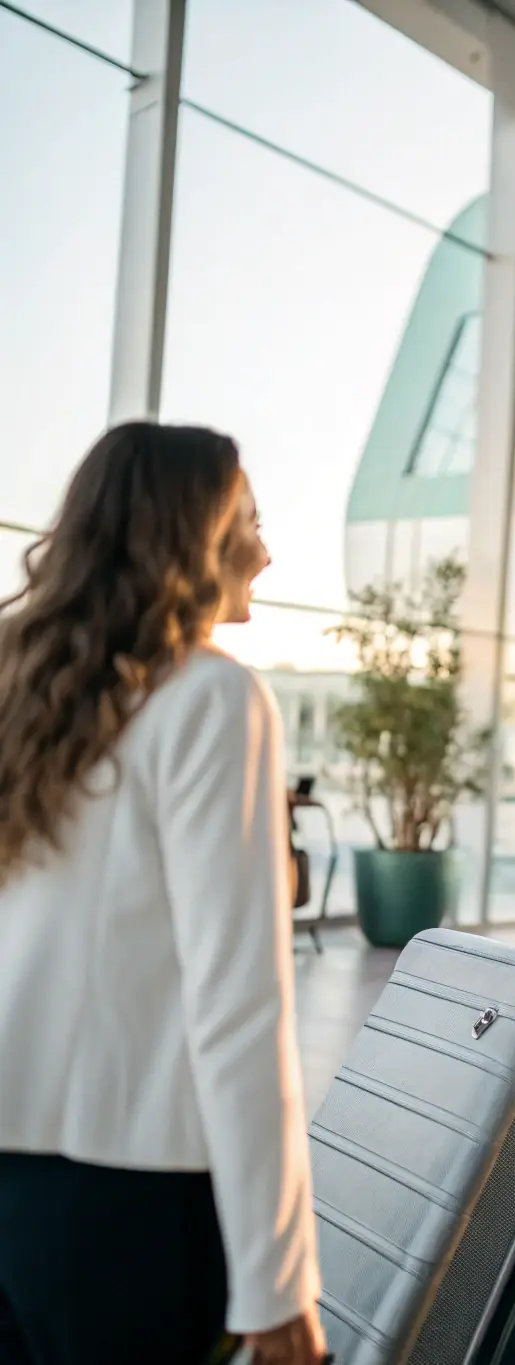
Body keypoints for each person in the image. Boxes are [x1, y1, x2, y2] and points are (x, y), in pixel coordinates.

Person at [0, 423, 325, 1365]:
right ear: (189, 535)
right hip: (131, 1202)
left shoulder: (19, 686)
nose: (266, 552)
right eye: (250, 524)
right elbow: (237, 1008)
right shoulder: (213, 699)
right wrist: (279, 1285)